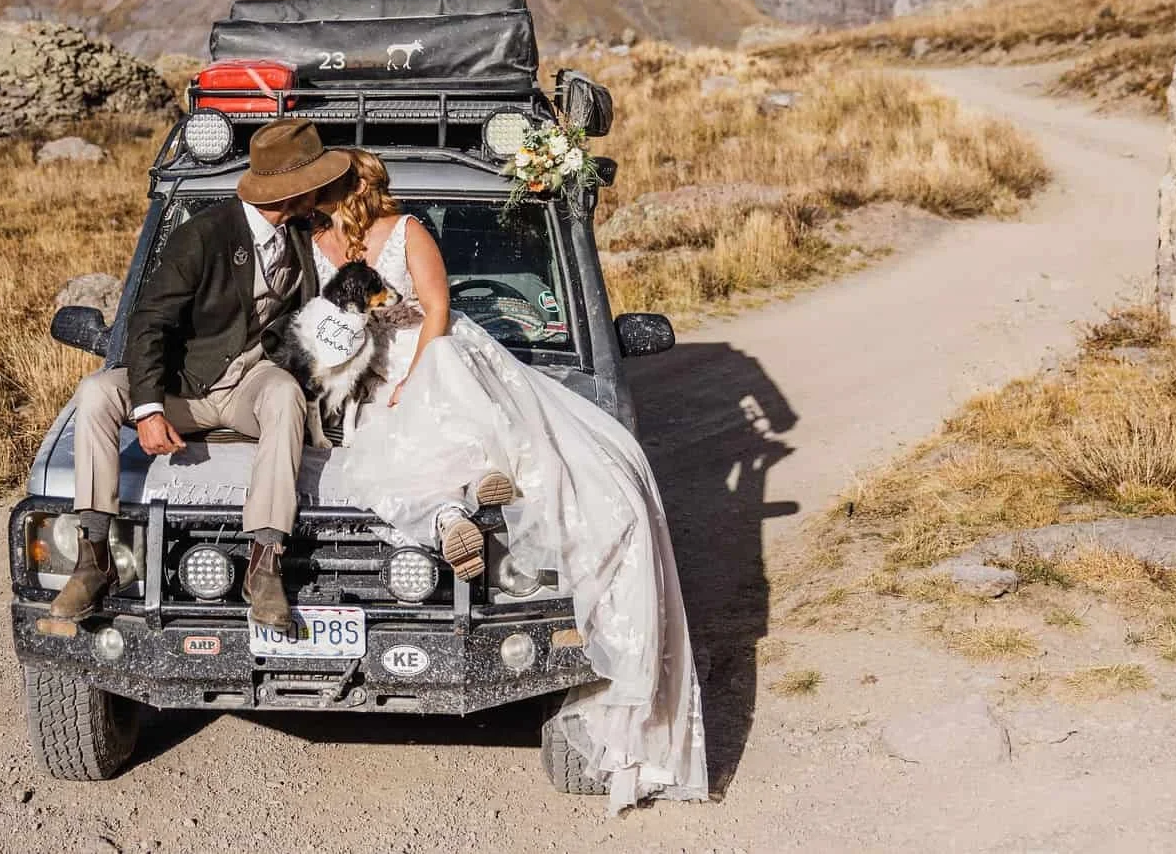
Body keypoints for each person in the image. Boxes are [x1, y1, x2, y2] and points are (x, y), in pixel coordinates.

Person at [313, 149, 709, 809]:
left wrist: (412, 379)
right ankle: (456, 510)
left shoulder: (409, 230)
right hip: (371, 369)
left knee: (442, 419)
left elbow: (435, 309)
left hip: (435, 355)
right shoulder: (320, 243)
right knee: (375, 460)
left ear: (343, 187)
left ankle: (479, 486)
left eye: (325, 185)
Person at [51, 119, 351, 631]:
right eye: (315, 182)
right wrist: (147, 410)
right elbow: (149, 321)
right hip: (183, 388)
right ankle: (94, 555)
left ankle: (264, 566)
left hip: (250, 386)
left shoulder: (305, 233)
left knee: (282, 391)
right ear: (294, 190)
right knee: (97, 390)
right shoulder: (202, 235)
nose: (321, 190)